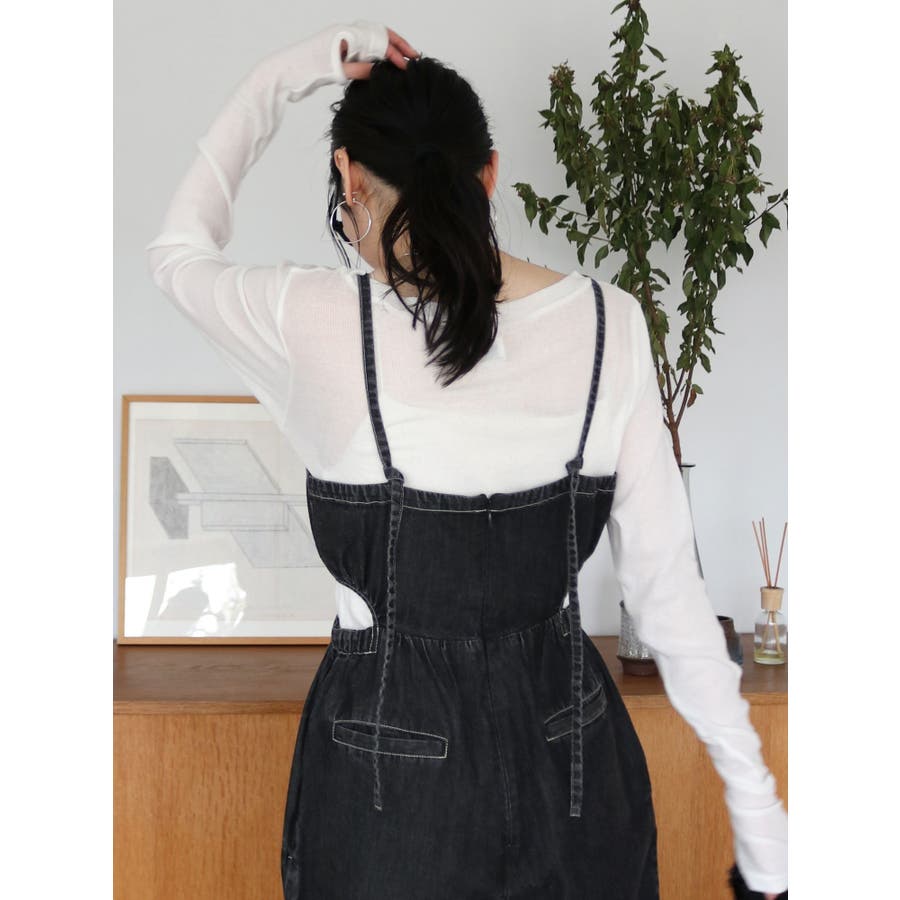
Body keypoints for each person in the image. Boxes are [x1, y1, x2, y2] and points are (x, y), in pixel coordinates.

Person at [144, 20, 788, 899]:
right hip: (573, 765)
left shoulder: (311, 322)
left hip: (385, 791)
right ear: (490, 174)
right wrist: (762, 825)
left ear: (349, 179)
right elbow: (670, 599)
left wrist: (289, 74)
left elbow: (177, 253)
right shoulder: (610, 325)